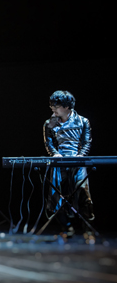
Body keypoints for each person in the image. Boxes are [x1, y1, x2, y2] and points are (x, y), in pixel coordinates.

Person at [43, 90, 93, 236]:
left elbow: (87, 142)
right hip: (59, 163)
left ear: (66, 106)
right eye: (51, 105)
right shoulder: (49, 124)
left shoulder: (83, 121)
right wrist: (55, 154)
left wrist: (80, 156)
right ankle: (66, 227)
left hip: (77, 163)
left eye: (56, 105)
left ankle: (88, 229)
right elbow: (49, 143)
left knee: (82, 193)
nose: (52, 108)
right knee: (56, 196)